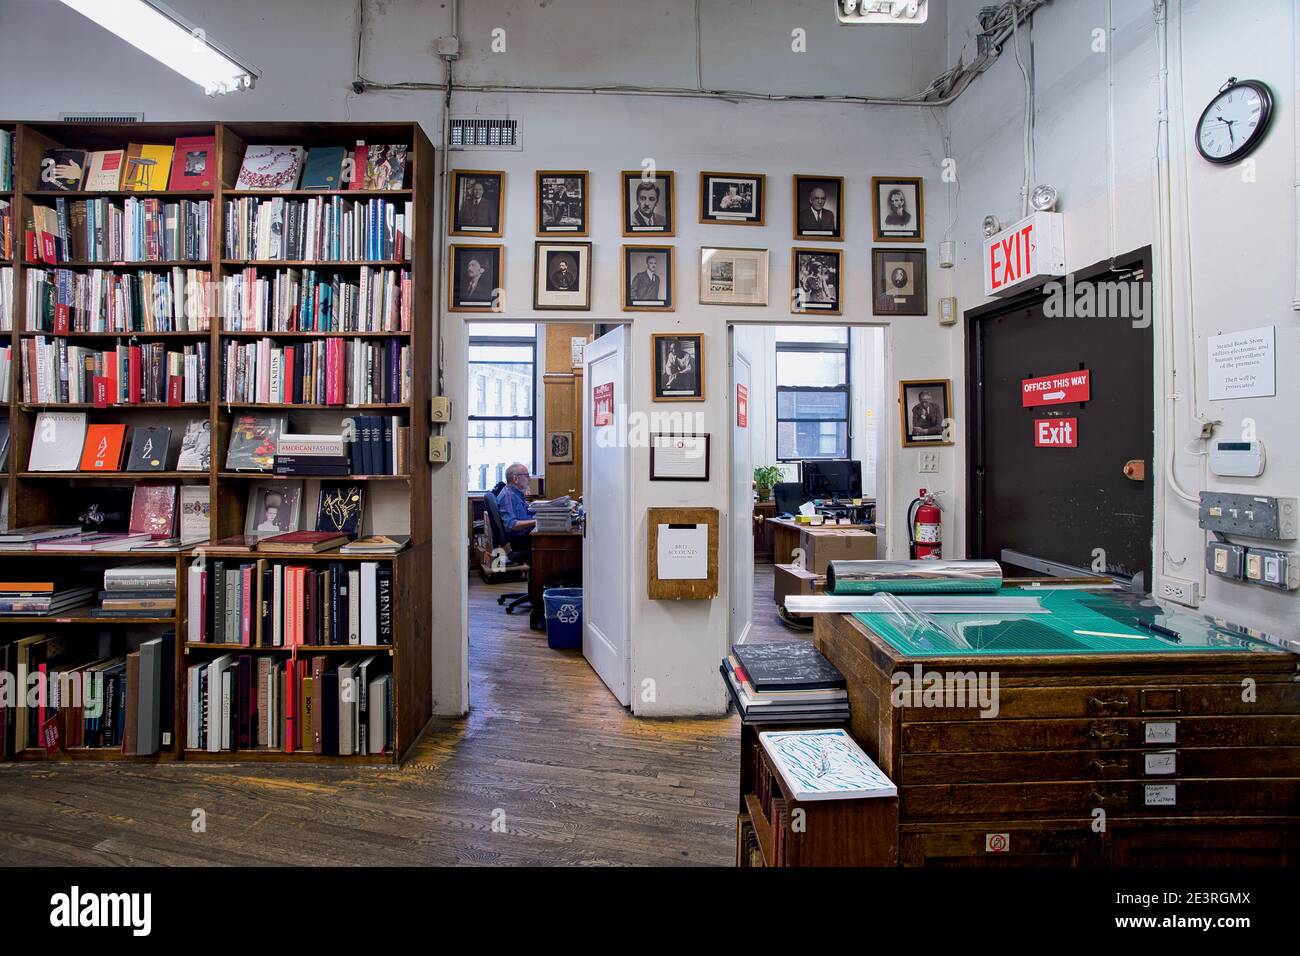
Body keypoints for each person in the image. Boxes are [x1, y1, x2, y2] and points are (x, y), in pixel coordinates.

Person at [495, 462, 536, 544]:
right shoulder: (507, 496)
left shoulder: (517, 494)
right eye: (527, 476)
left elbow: (527, 511)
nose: (530, 479)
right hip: (523, 538)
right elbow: (513, 525)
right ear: (515, 479)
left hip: (527, 533)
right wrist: (537, 521)